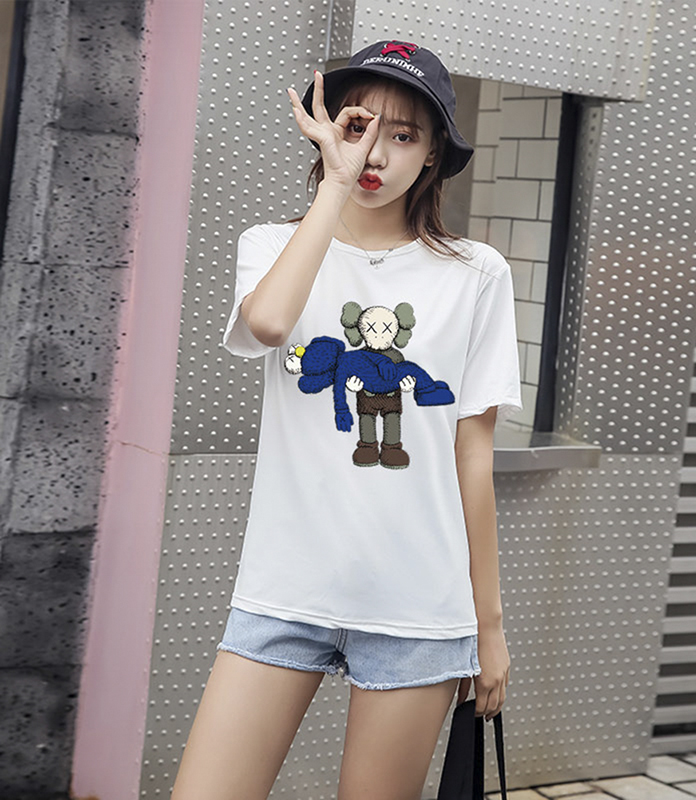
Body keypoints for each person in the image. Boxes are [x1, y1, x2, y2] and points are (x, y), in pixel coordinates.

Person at [171, 39, 522, 800]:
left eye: (405, 135)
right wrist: (333, 185)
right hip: (283, 592)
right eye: (360, 126)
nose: (376, 153)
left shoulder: (475, 275)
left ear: (433, 155)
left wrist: (488, 628)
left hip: (416, 605)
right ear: (331, 130)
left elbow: (472, 456)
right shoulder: (273, 245)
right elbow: (269, 323)